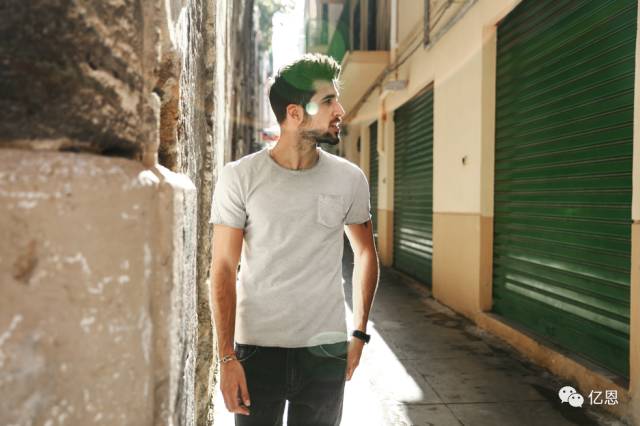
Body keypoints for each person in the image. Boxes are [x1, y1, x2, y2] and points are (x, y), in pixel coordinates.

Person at [210, 53, 379, 426]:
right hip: (256, 349)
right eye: (329, 101)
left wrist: (359, 333)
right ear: (295, 113)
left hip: (325, 350)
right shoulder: (239, 177)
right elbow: (222, 267)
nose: (341, 111)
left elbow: (366, 253)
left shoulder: (350, 179)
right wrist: (226, 357)